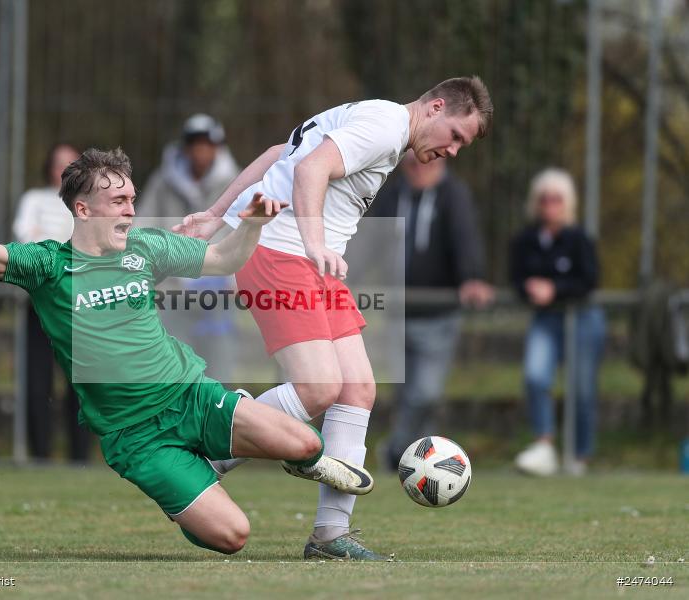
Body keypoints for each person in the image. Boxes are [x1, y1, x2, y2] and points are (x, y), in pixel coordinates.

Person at [0, 148, 373, 555]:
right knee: (233, 537)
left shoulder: (145, 248)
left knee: (307, 445)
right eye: (118, 201)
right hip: (136, 437)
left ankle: (212, 459)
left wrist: (251, 226)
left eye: (132, 199)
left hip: (190, 396)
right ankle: (187, 491)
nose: (130, 211)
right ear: (83, 209)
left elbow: (224, 258)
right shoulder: (48, 265)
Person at [174, 76, 493, 560]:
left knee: (357, 389)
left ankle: (330, 536)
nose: (452, 151)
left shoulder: (380, 122)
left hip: (309, 260)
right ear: (436, 107)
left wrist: (216, 212)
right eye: (455, 136)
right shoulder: (386, 126)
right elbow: (309, 169)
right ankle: (206, 452)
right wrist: (315, 242)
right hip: (282, 253)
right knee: (318, 388)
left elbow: (279, 153)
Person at [370, 152, 494, 470]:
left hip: (438, 315)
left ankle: (396, 451)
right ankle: (419, 466)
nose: (420, 170)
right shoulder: (392, 195)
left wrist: (472, 277)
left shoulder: (454, 195)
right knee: (405, 397)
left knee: (425, 393)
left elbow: (465, 238)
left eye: (429, 163)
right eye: (413, 164)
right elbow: (371, 240)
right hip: (397, 315)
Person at [509, 168, 605, 477]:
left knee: (582, 389)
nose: (550, 205)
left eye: (557, 199)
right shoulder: (525, 240)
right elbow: (517, 278)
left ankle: (579, 456)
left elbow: (589, 280)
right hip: (545, 320)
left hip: (582, 319)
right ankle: (544, 446)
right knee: (536, 376)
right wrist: (530, 288)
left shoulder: (579, 239)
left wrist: (555, 289)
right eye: (544, 199)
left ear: (568, 202)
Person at [141, 115, 242, 380]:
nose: (201, 151)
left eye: (207, 144)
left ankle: (219, 407)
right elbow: (143, 224)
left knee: (218, 362)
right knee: (171, 361)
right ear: (185, 147)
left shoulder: (235, 181)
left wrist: (234, 277)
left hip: (218, 289)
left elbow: (242, 230)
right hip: (172, 288)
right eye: (195, 144)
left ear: (218, 147)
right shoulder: (163, 181)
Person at [12, 142, 90, 463]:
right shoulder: (34, 199)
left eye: (71, 163)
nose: (64, 170)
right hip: (42, 302)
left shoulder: (88, 204)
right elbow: (25, 237)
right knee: (37, 381)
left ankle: (79, 458)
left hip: (80, 304)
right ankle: (40, 455)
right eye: (59, 163)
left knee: (80, 385)